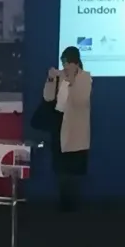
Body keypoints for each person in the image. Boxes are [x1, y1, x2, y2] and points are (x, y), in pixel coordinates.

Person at [41, 46, 92, 213]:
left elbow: (80, 100)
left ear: (76, 63)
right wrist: (50, 79)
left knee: (74, 170)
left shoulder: (85, 78)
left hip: (76, 128)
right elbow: (48, 97)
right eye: (64, 63)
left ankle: (74, 205)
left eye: (68, 63)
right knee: (61, 169)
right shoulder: (60, 77)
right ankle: (63, 203)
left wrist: (71, 81)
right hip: (60, 126)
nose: (65, 66)